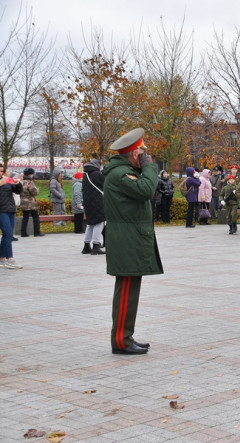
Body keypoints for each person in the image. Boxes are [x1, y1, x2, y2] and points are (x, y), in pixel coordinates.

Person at [103, 128, 163, 355]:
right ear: (133, 154)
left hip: (130, 237)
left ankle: (126, 336)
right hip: (127, 239)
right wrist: (149, 167)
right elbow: (147, 189)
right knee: (127, 290)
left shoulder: (123, 171)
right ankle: (120, 340)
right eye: (142, 153)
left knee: (130, 289)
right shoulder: (120, 174)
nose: (146, 157)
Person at [0, 164, 23, 269]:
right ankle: (10, 259)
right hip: (1, 211)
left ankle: (1, 258)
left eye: (2, 171)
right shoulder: (2, 182)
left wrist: (17, 183)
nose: (0, 173)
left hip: (11, 210)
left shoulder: (7, 180)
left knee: (7, 235)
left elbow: (18, 191)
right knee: (8, 234)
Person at [82, 159, 106, 255]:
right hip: (98, 202)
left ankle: (86, 246)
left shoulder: (86, 175)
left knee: (90, 224)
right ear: (98, 165)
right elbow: (105, 183)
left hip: (88, 203)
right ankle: (96, 246)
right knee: (99, 223)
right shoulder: (97, 174)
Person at [19, 168, 44, 237]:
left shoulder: (22, 182)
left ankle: (23, 232)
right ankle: (37, 232)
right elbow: (34, 192)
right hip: (31, 202)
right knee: (35, 217)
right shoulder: (30, 182)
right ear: (30, 174)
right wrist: (37, 190)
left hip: (23, 202)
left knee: (25, 217)